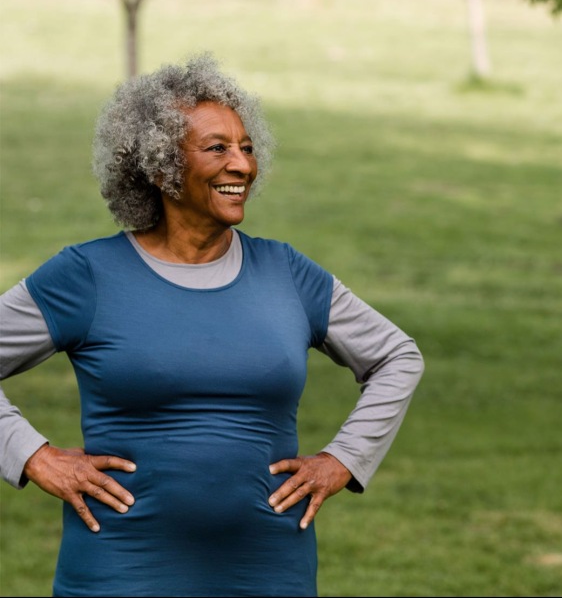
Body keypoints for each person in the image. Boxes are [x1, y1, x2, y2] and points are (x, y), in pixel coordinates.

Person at [0, 53, 425, 597]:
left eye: (246, 148)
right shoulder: (87, 276)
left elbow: (397, 356)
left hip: (270, 574)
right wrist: (33, 457)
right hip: (119, 574)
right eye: (217, 148)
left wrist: (344, 459)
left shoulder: (287, 272)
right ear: (160, 168)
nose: (242, 166)